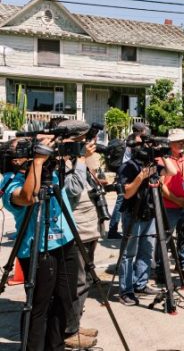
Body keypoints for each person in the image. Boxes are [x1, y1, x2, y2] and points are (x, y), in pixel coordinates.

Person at [3, 137, 77, 350]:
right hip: (36, 248)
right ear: (16, 159)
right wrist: (37, 162)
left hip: (66, 241)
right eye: (29, 148)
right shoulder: (9, 180)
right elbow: (28, 197)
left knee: (65, 300)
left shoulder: (49, 170)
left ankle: (56, 346)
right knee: (38, 306)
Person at [117, 133, 178, 306]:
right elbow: (127, 193)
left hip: (151, 212)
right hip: (132, 213)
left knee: (146, 250)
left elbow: (172, 171)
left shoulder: (154, 165)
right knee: (129, 254)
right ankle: (125, 291)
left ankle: (140, 284)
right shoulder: (128, 167)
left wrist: (164, 155)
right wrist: (141, 177)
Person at [62, 133, 101, 348]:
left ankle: (74, 324)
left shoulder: (78, 161)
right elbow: (74, 190)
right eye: (78, 139)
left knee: (85, 280)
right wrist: (82, 159)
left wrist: (87, 160)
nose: (84, 144)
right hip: (76, 230)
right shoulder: (64, 163)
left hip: (89, 229)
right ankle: (69, 330)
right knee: (76, 283)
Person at [159, 129, 184, 273]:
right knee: (165, 238)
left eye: (183, 141)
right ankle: (162, 269)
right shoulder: (162, 160)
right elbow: (161, 185)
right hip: (169, 206)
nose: (182, 144)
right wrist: (176, 200)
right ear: (170, 143)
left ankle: (183, 264)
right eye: (178, 141)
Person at [108, 122, 149, 239]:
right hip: (128, 174)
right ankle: (113, 229)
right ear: (141, 131)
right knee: (121, 201)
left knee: (121, 202)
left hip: (126, 172)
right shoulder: (134, 140)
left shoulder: (130, 138)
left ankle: (114, 228)